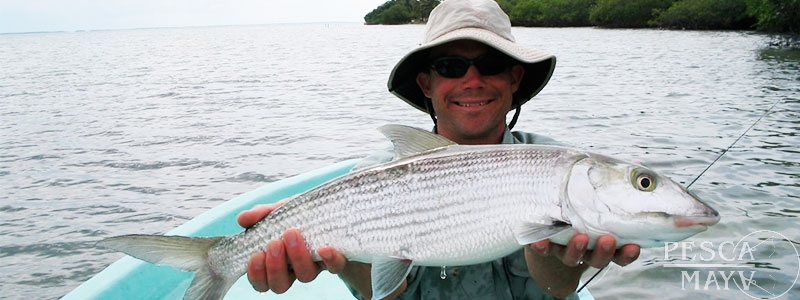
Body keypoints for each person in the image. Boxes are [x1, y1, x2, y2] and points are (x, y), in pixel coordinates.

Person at [236, 0, 641, 299]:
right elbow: (382, 295)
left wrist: (554, 256)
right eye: (450, 66)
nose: (473, 79)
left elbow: (556, 289)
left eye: (491, 64)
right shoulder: (374, 173)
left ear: (516, 77)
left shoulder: (557, 166)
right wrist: (346, 259)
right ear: (426, 84)